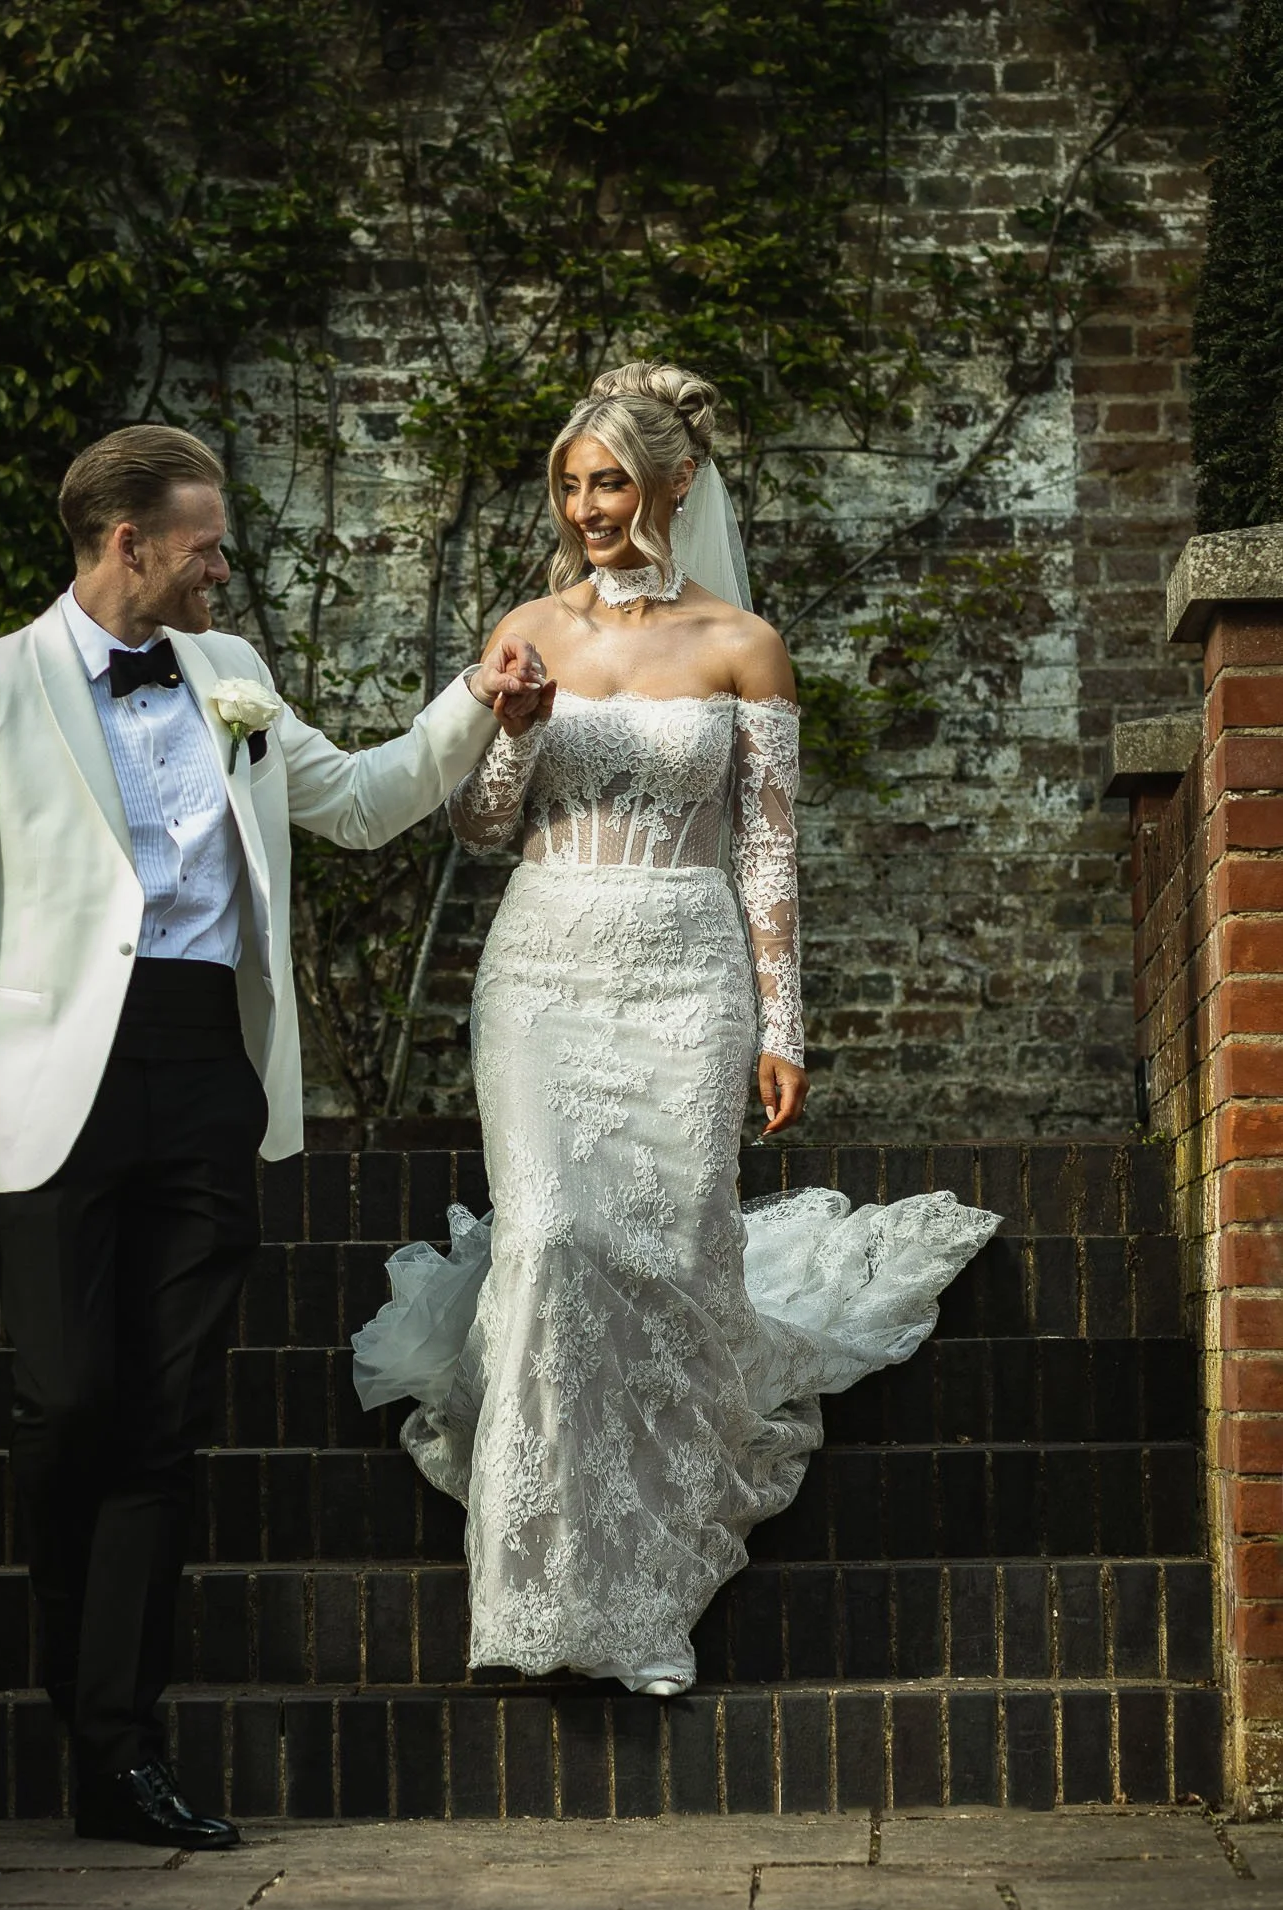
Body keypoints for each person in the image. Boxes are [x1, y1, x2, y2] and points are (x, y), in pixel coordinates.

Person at [0, 423, 547, 1845]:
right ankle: (77, 1687)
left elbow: (361, 807)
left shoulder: (231, 678)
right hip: (57, 1090)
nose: (221, 565)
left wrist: (476, 700)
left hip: (205, 1077)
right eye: (203, 543)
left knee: (164, 1427)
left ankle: (120, 1748)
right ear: (127, 543)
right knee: (64, 1410)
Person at [353, 362, 998, 1696]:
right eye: (571, 484)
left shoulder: (739, 645)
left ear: (672, 483)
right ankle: (535, 1599)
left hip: (685, 973)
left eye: (609, 481)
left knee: (658, 1254)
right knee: (550, 1243)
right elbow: (479, 829)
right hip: (541, 965)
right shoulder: (526, 623)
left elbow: (766, 855)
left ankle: (648, 1583)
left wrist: (784, 1026)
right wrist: (516, 729)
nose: (588, 506)